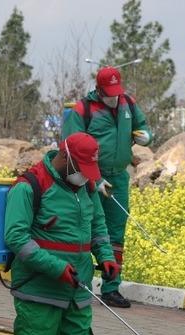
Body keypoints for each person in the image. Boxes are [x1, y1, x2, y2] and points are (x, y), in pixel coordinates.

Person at [4, 132, 120, 335]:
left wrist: (106, 257)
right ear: (65, 157)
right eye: (80, 168)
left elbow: (98, 226)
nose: (85, 176)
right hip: (39, 291)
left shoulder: (87, 188)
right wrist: (56, 268)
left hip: (77, 293)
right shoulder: (29, 187)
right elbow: (16, 238)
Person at [61, 66, 152, 308]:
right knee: (84, 229)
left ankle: (111, 287)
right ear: (99, 89)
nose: (113, 98)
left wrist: (146, 136)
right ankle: (79, 285)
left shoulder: (128, 104)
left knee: (116, 233)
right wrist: (94, 179)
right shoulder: (83, 110)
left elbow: (143, 126)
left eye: (116, 92)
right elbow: (70, 147)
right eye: (109, 93)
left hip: (119, 178)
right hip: (89, 179)